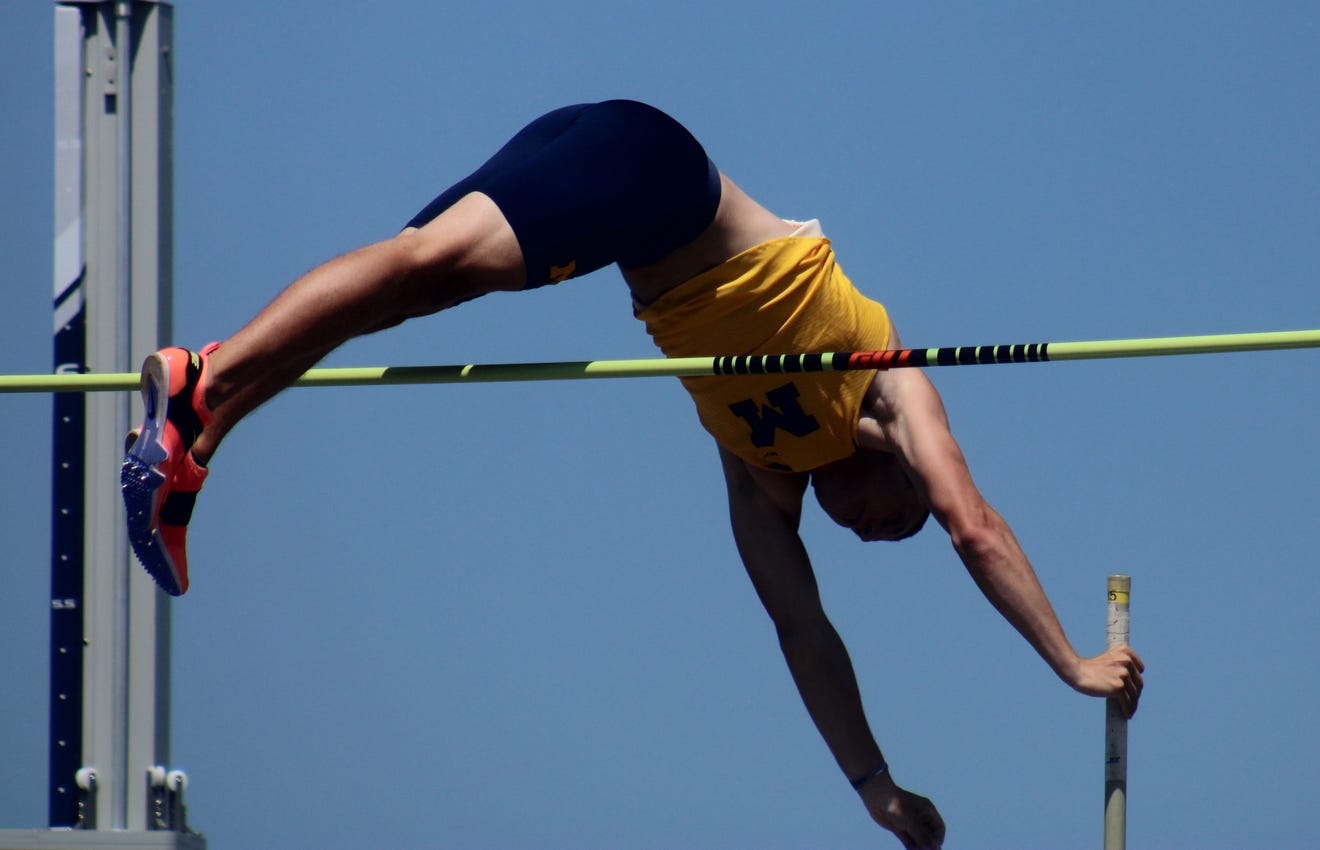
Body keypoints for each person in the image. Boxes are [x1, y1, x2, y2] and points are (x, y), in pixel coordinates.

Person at [121, 99, 1143, 850]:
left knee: (409, 281)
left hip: (619, 188)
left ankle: (195, 443)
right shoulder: (891, 389)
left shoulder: (761, 481)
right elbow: (976, 527)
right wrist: (1069, 664)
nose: (876, 532)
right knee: (435, 269)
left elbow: (803, 628)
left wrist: (873, 786)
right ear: (902, 473)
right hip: (658, 178)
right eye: (895, 520)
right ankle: (202, 381)